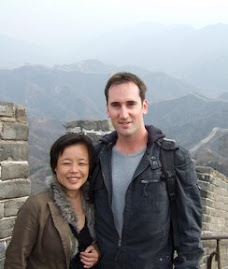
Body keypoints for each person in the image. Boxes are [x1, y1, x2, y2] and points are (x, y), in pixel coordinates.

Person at [90, 72, 204, 269]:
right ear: (107, 110)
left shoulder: (173, 158)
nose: (123, 114)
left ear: (144, 106)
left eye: (131, 104)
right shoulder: (97, 156)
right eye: (116, 105)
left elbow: (190, 238)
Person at [5, 133, 100, 269]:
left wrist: (97, 250)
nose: (74, 170)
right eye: (66, 163)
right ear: (55, 167)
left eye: (81, 163)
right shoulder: (36, 206)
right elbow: (15, 260)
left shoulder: (95, 201)